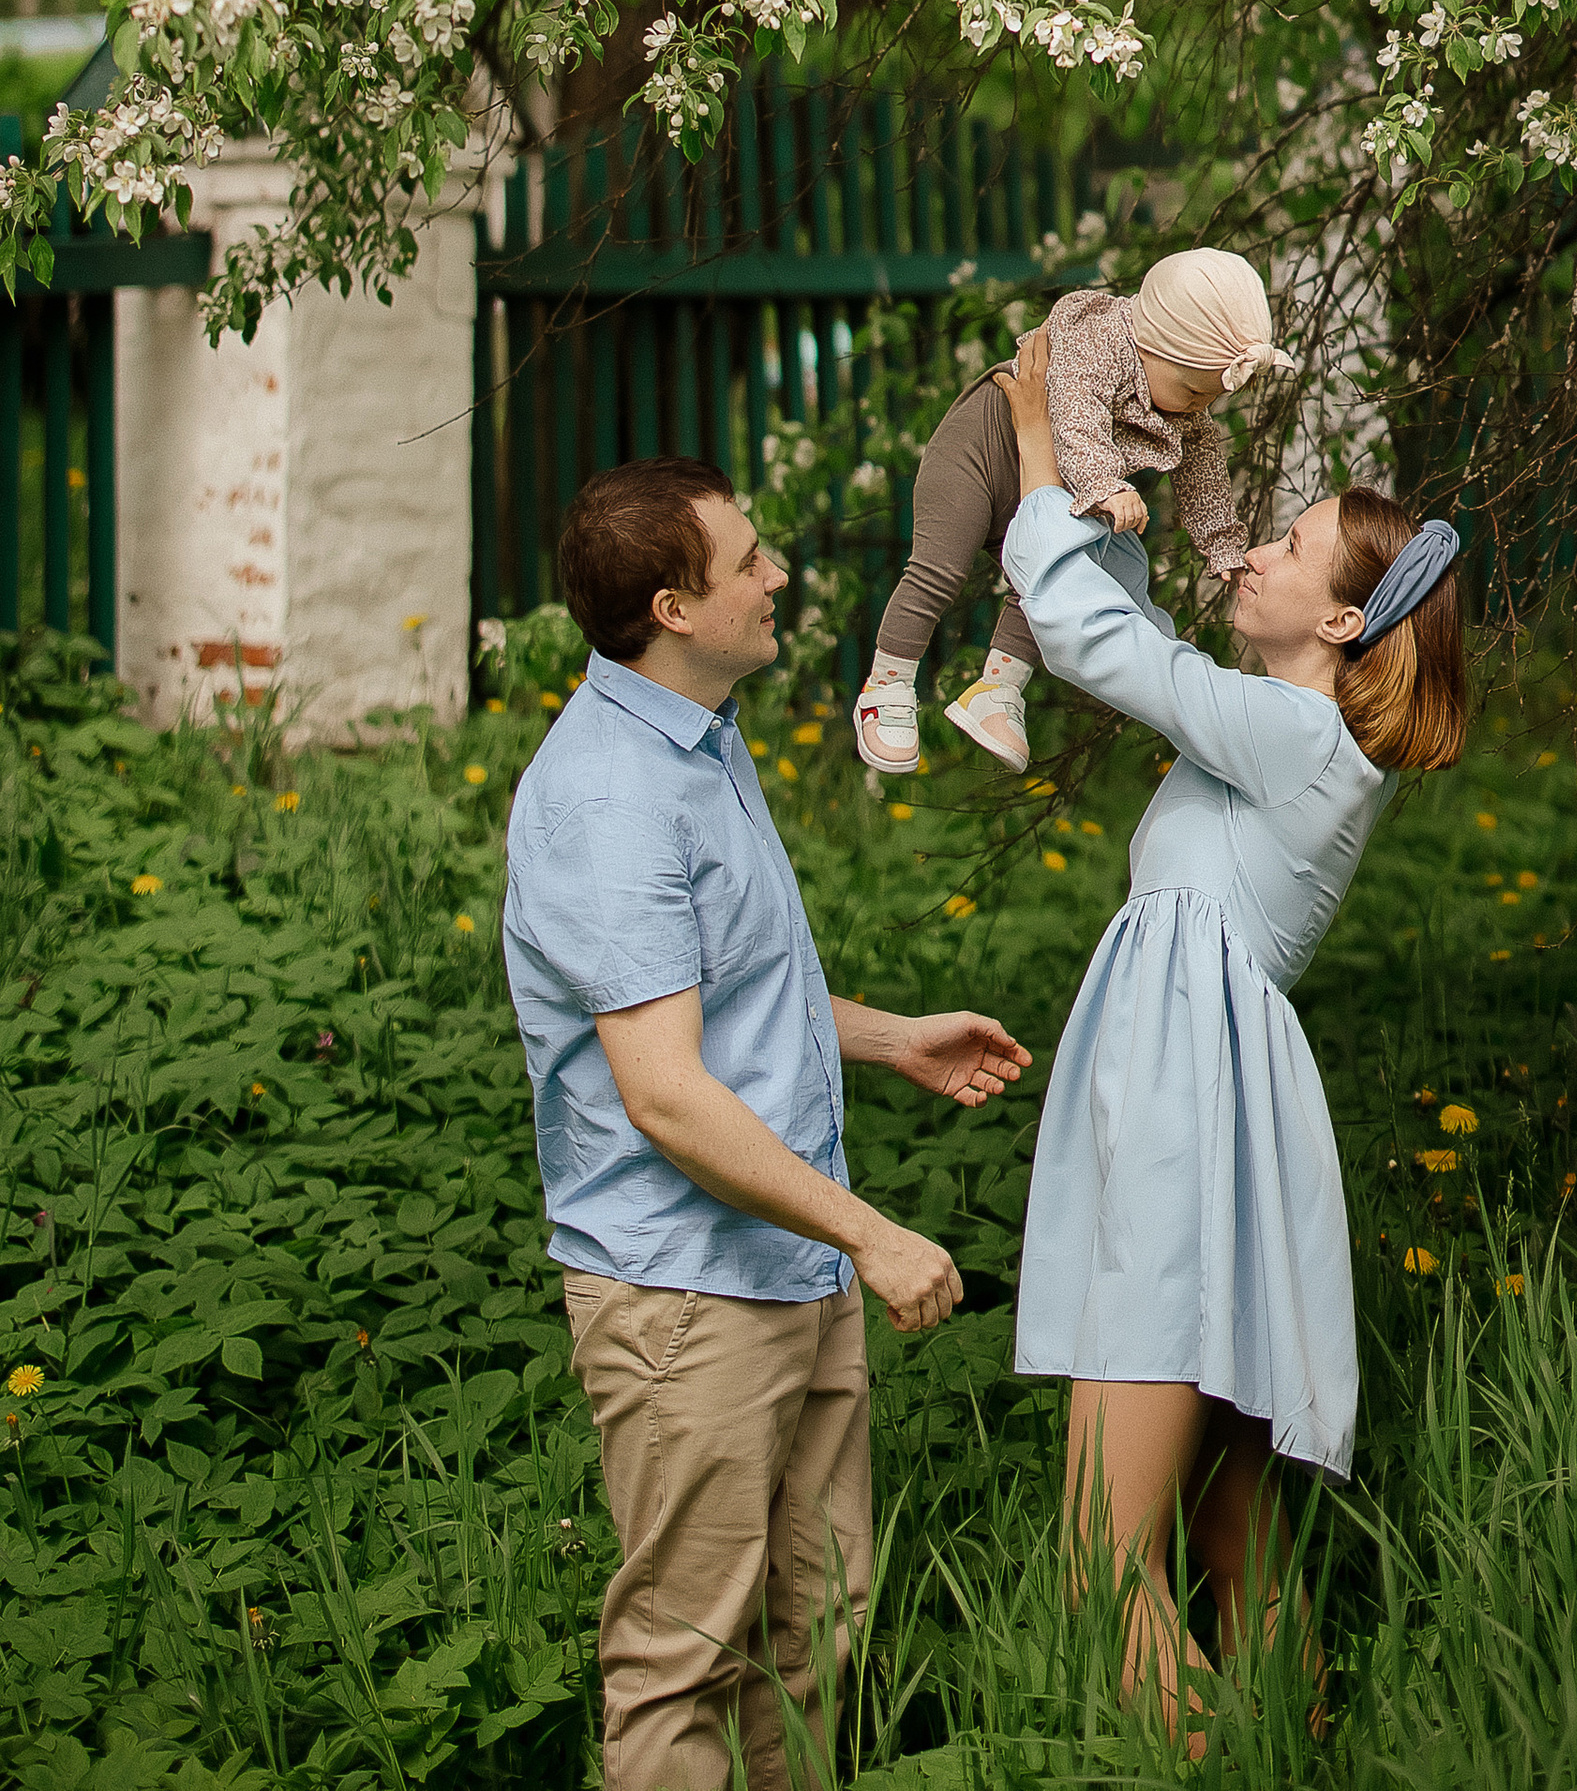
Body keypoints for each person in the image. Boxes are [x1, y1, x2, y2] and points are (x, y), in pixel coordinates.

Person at [501, 455, 1030, 1791]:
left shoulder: (701, 735)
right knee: (685, 1665)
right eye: (748, 561)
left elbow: (723, 1001)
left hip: (785, 1267)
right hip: (689, 1300)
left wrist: (891, 1036)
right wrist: (875, 1235)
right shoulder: (612, 797)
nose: (779, 575)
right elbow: (667, 1093)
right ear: (674, 608)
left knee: (816, 1638)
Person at [995, 324, 1468, 1746]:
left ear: (1340, 625)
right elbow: (1142, 646)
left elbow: (1091, 646)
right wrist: (1108, 506)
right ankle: (1295, 1752)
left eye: (1288, 546)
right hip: (1214, 1116)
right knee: (1240, 1554)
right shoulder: (1277, 727)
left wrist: (1036, 438)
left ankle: (1208, 1760)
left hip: (1184, 1117)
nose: (1252, 553)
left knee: (1099, 1563)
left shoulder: (1302, 740)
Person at [856, 247, 1293, 781]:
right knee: (938, 569)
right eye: (1192, 391)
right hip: (981, 454)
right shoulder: (1100, 340)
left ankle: (996, 690)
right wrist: (1105, 485)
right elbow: (1075, 410)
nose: (1199, 408)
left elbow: (1203, 469)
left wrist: (1221, 544)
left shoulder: (1185, 407)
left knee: (1046, 576)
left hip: (1044, 483)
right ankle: (887, 683)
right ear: (1155, 346)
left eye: (1208, 397)